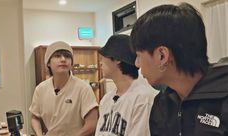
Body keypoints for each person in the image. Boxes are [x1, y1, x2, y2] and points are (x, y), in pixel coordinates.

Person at [130, 2, 228, 136]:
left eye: (138, 55)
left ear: (162, 55)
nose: (137, 64)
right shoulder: (162, 104)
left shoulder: (223, 98)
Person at [29, 41, 98, 136]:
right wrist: (39, 133)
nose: (63, 59)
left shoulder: (83, 88)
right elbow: (35, 117)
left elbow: (92, 124)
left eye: (67, 56)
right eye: (57, 56)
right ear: (48, 63)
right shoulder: (41, 89)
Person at [95, 34, 158, 136]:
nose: (100, 62)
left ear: (117, 59)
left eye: (103, 58)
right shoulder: (106, 100)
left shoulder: (144, 99)